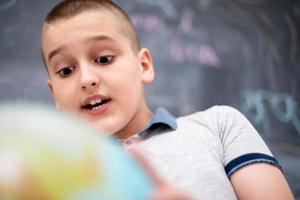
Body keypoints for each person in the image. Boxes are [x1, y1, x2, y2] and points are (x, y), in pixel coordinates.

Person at [40, 0, 294, 199]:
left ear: (144, 65)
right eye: (66, 71)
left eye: (104, 59)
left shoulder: (218, 127)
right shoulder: (44, 178)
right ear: (55, 95)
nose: (86, 79)